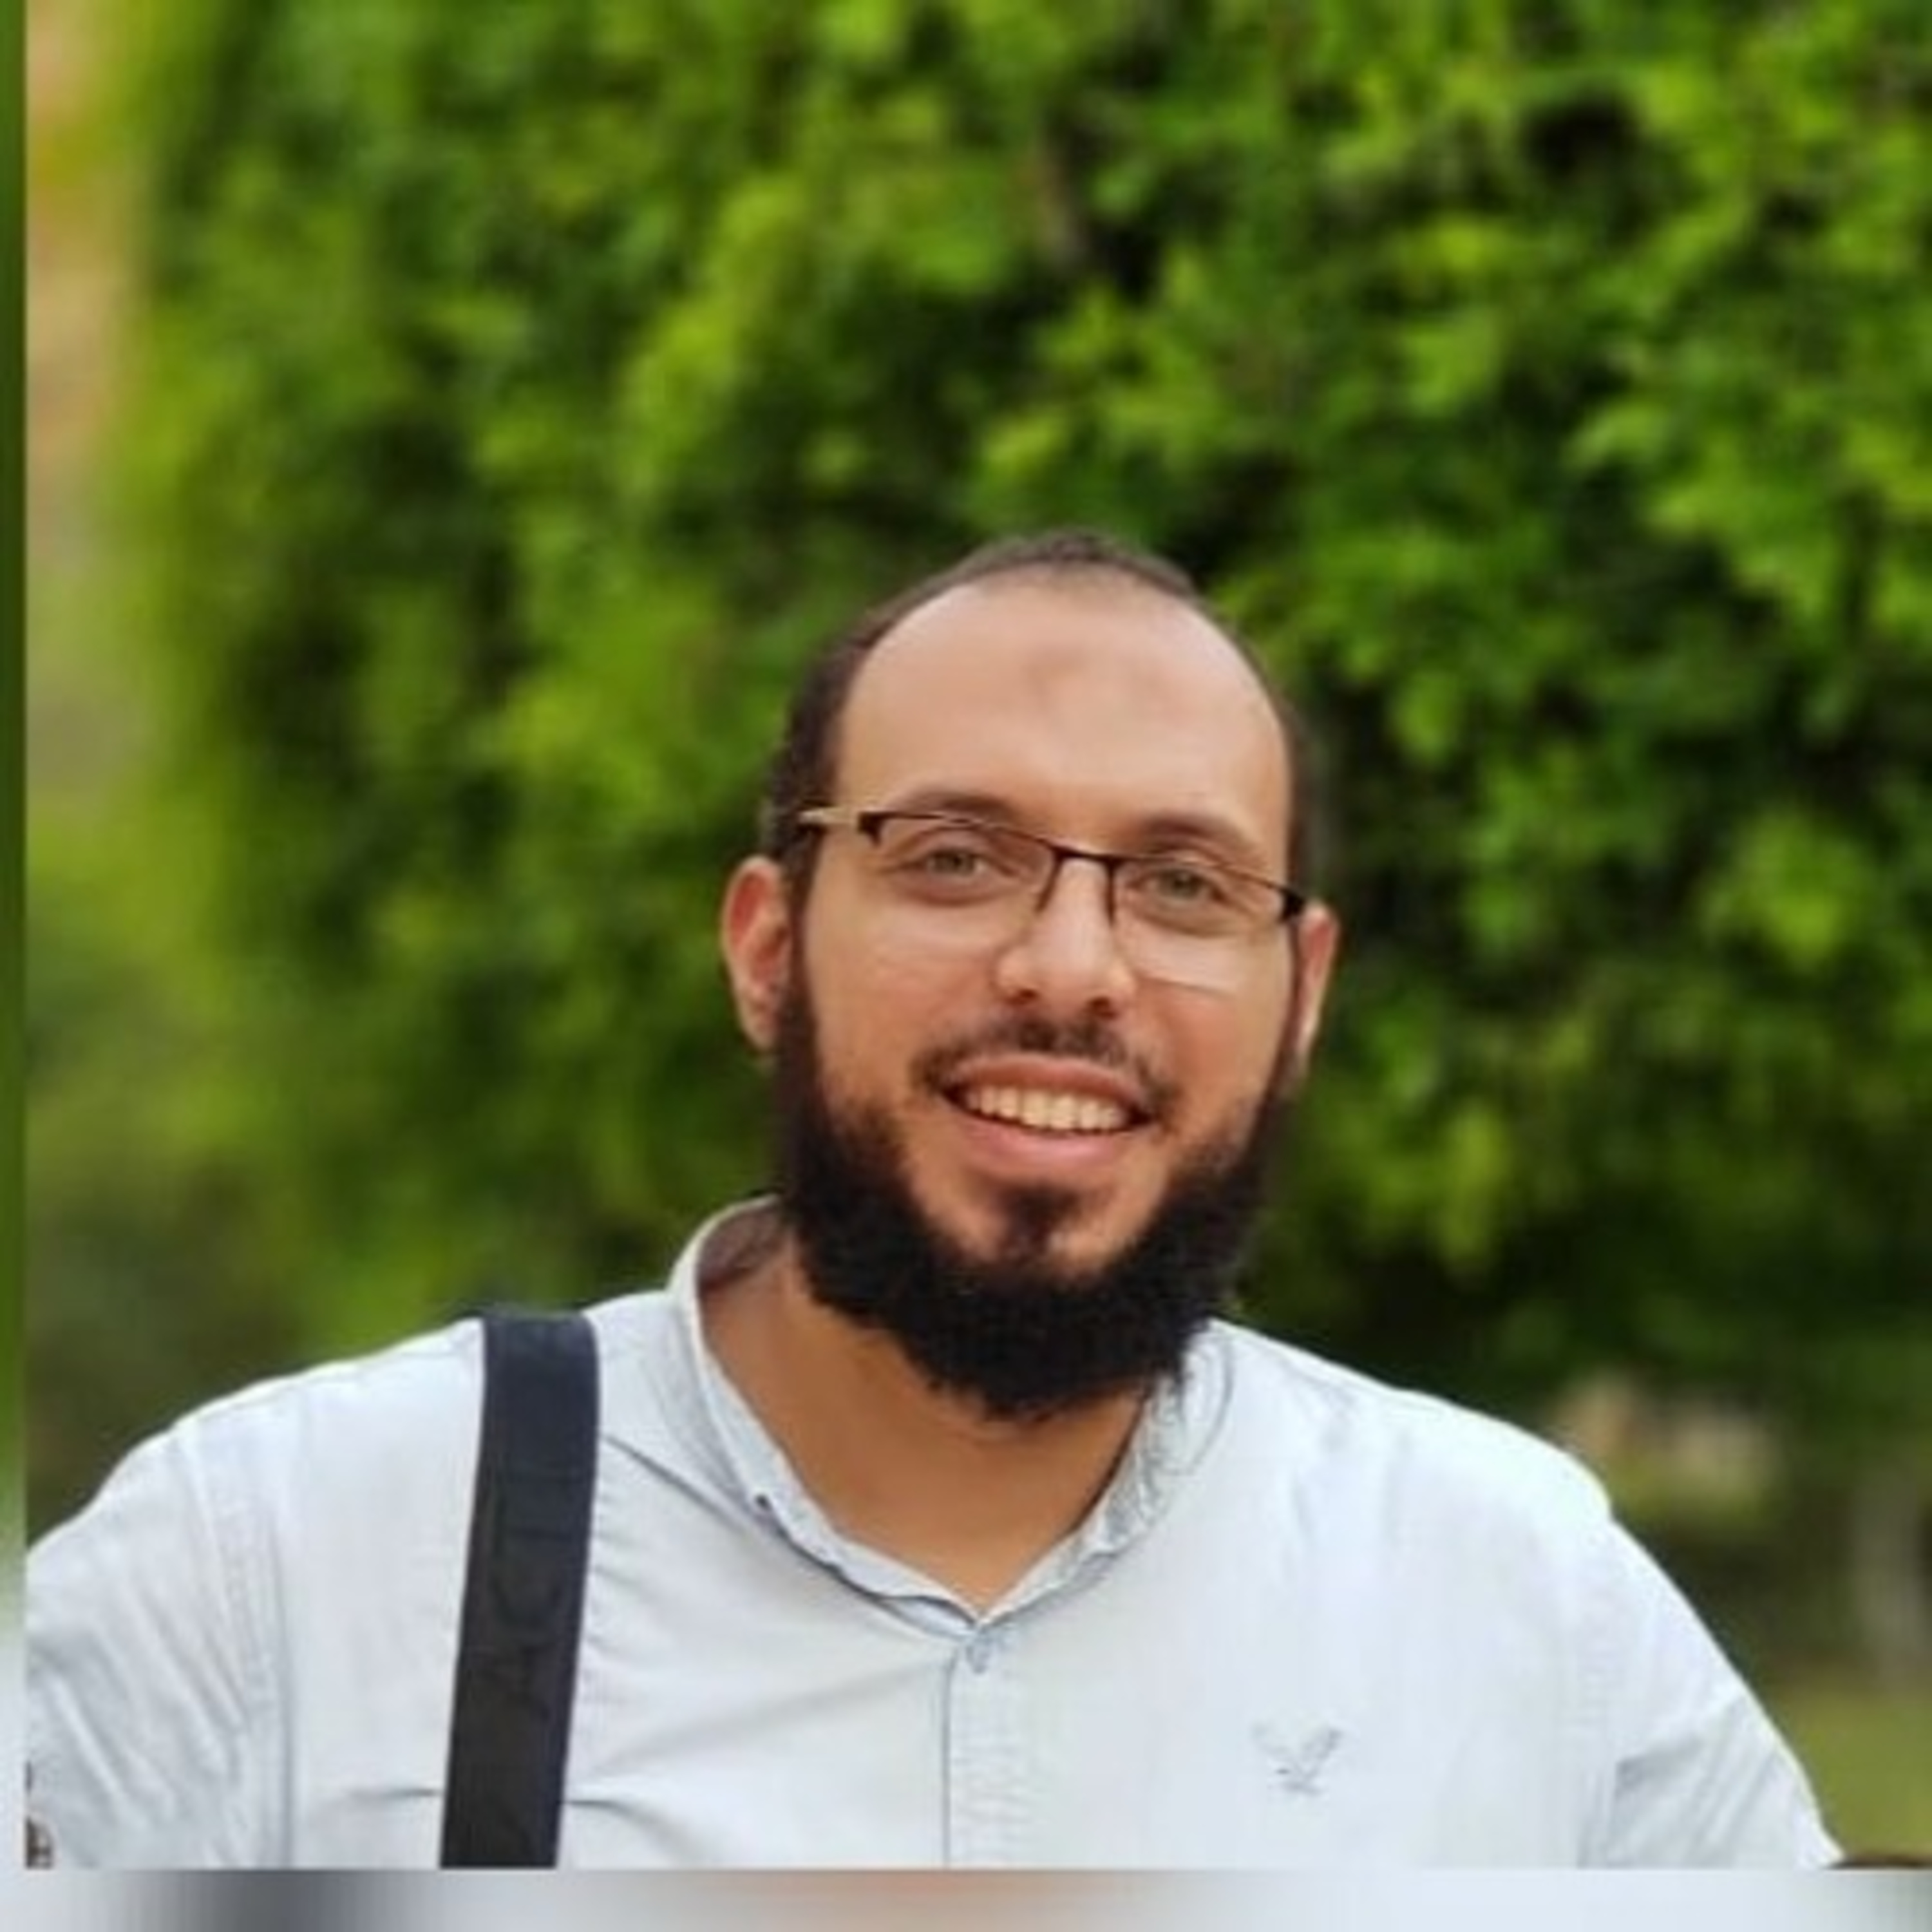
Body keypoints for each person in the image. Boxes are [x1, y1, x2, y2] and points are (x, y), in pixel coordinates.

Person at [27, 529, 1840, 1868]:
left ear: (1301, 1000)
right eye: (957, 859)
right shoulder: (275, 1569)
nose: (1073, 967)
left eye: (1184, 886)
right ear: (767, 948)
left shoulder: (1520, 1599)